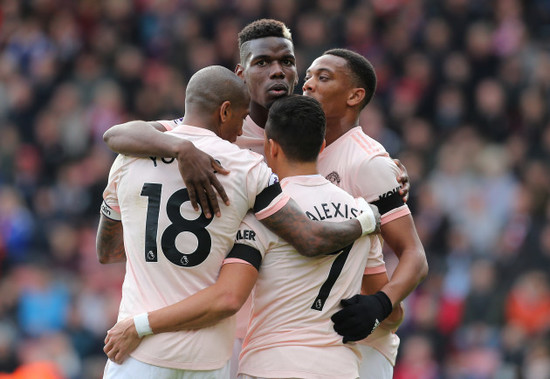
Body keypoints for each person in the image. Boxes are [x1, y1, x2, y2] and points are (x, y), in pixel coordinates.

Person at [102, 19, 423, 377]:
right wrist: (181, 149)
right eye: (263, 63)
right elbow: (119, 134)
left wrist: (382, 303)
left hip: (340, 335)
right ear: (240, 74)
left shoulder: (310, 129)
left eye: (287, 62)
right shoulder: (221, 131)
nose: (278, 72)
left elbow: (404, 252)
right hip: (245, 330)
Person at [237, 95, 398, 379]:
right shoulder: (362, 212)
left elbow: (231, 295)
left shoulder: (265, 210)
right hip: (337, 368)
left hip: (269, 365)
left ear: (271, 147)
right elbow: (391, 313)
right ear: (322, 147)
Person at [302, 48, 428, 378]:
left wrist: (380, 304)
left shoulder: (368, 162)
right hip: (315, 333)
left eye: (323, 78)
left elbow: (414, 254)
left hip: (364, 340)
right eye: (308, 77)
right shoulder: (301, 151)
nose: (309, 84)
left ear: (355, 95)